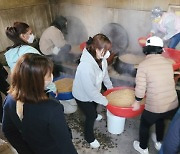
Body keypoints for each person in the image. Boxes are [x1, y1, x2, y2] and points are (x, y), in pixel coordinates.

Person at [2, 53, 77, 154]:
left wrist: (24, 151)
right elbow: (64, 143)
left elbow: (8, 130)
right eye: (48, 75)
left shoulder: (9, 100)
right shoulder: (51, 108)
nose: (52, 77)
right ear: (36, 81)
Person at [132, 36, 178, 154]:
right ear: (161, 50)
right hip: (172, 105)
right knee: (160, 120)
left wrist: (137, 101)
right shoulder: (168, 63)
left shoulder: (143, 65)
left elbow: (140, 88)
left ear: (146, 49)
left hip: (155, 106)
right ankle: (159, 142)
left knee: (145, 124)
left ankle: (143, 148)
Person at [72, 34, 113, 148]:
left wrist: (111, 90)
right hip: (82, 96)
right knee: (90, 116)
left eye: (107, 50)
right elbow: (90, 92)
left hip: (94, 92)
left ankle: (95, 114)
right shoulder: (85, 66)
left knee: (94, 106)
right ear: (96, 49)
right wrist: (107, 102)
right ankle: (89, 137)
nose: (107, 53)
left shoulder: (102, 59)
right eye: (105, 50)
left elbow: (106, 77)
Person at [4, 22, 56, 93]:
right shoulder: (29, 50)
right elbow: (42, 71)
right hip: (35, 87)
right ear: (23, 36)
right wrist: (52, 87)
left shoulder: (9, 53)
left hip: (21, 88)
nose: (33, 35)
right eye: (30, 33)